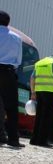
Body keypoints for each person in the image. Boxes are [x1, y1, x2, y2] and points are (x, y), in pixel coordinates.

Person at [30, 52, 53, 148]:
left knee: (39, 116)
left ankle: (34, 139)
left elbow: (32, 79)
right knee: (47, 117)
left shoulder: (39, 63)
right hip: (50, 92)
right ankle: (42, 141)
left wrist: (33, 92)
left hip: (39, 92)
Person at [0, 10, 23, 147]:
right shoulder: (16, 37)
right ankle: (13, 139)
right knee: (11, 107)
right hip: (8, 72)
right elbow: (18, 60)